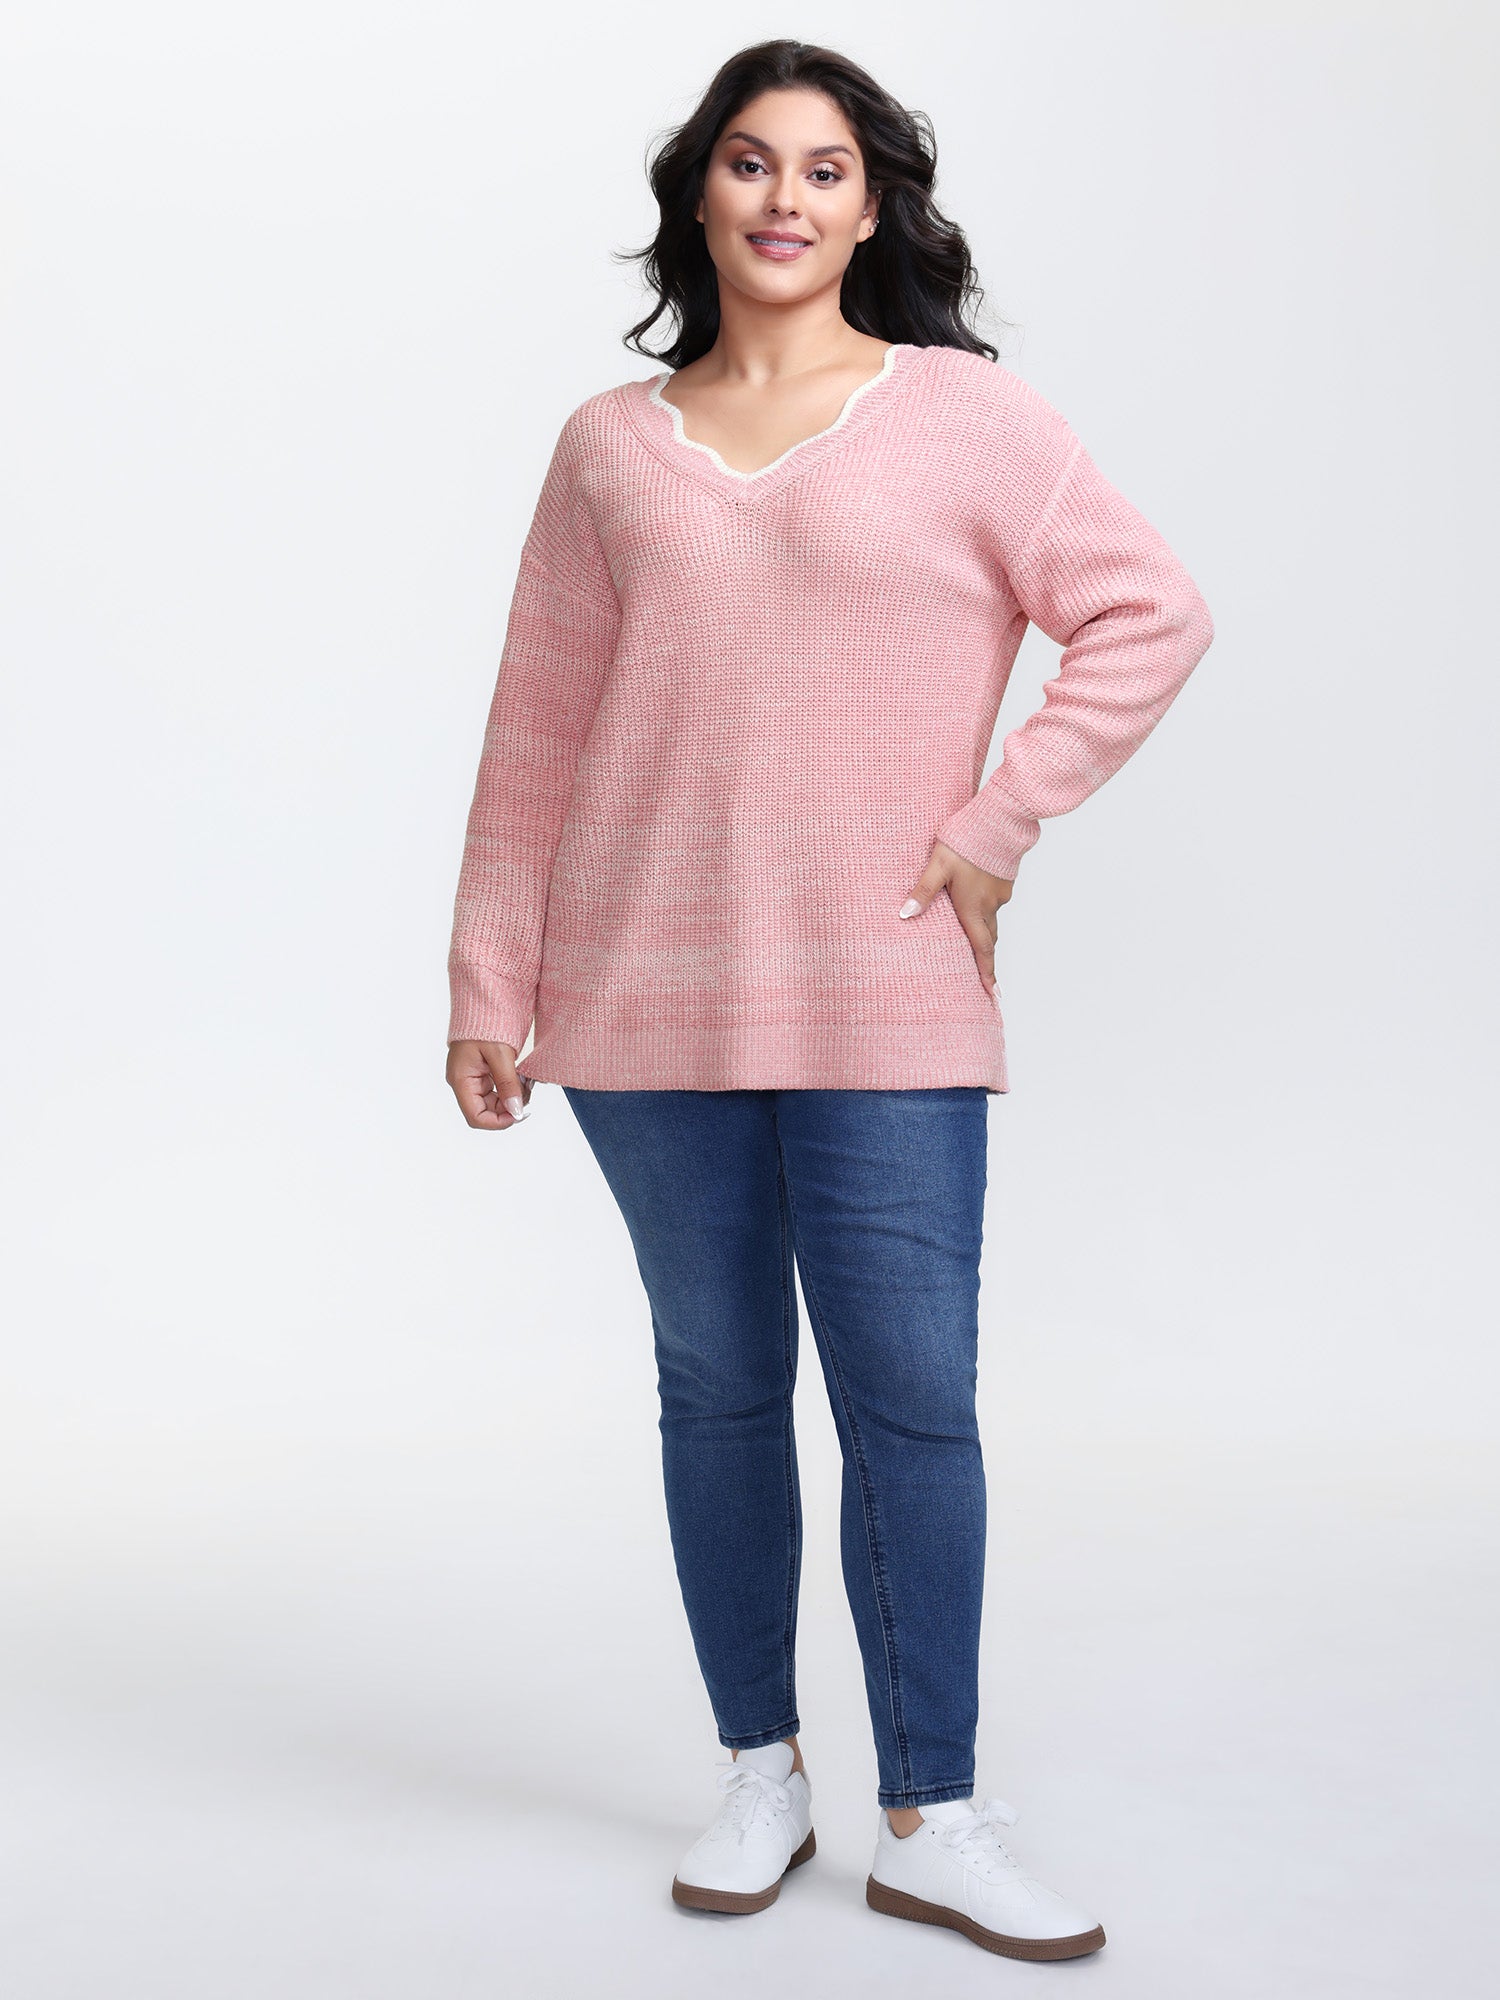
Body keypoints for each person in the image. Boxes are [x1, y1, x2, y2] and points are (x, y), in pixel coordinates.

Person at [444, 38, 1213, 1966]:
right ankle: (759, 1769)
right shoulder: (607, 447)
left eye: (825, 168)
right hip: (641, 994)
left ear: (874, 209)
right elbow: (537, 727)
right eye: (748, 162)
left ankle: (934, 1810)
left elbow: (1150, 611)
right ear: (698, 194)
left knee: (912, 1405)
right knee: (716, 1391)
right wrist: (489, 976)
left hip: (884, 985)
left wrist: (997, 826)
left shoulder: (968, 417)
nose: (783, 198)